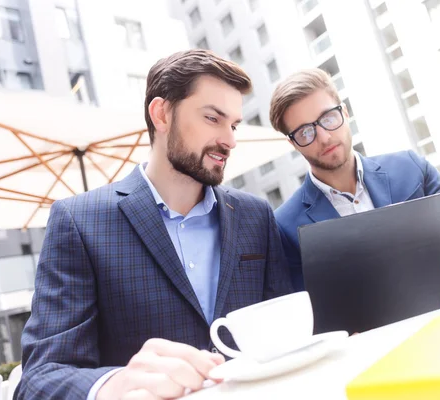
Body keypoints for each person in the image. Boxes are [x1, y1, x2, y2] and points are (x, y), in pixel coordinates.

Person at [17, 50, 292, 400]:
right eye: (213, 118)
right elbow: (38, 379)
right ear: (161, 114)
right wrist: (115, 384)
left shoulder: (256, 215)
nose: (230, 140)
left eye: (234, 125)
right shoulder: (79, 221)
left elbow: (283, 337)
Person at [269, 68, 440, 305]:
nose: (324, 137)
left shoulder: (410, 169)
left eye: (328, 118)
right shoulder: (284, 226)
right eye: (305, 132)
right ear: (293, 143)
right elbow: (300, 309)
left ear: (345, 112)